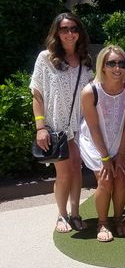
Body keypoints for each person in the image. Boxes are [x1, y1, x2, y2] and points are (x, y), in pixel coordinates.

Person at [31, 12, 94, 233]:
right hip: (55, 127)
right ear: (56, 32)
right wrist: (40, 127)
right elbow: (36, 95)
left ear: (80, 33)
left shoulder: (85, 60)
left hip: (79, 126)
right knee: (64, 173)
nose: (69, 33)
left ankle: (75, 213)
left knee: (76, 170)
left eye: (74, 29)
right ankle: (61, 214)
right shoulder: (45, 58)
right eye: (64, 29)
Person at [80, 46, 125, 242]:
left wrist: (121, 154)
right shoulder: (90, 91)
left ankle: (118, 219)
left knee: (121, 177)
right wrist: (105, 157)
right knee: (105, 179)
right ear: (102, 66)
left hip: (119, 140)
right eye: (111, 63)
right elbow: (93, 127)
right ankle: (102, 222)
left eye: (121, 63)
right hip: (95, 142)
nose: (117, 68)